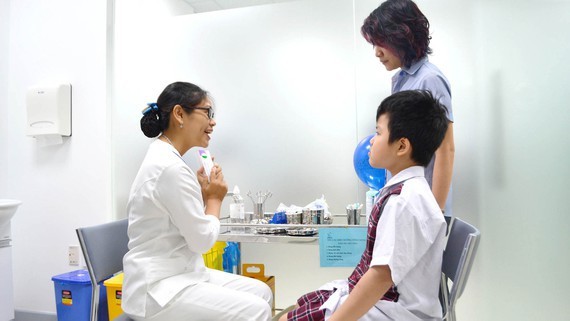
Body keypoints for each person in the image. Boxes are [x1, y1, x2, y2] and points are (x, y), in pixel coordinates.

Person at [280, 90, 448, 321]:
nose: (371, 140)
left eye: (378, 132)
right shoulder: (407, 191)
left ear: (401, 147)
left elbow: (381, 276)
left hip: (392, 311)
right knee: (290, 312)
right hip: (385, 303)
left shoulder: (403, 201)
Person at [122, 81, 273, 321]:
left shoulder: (166, 159)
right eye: (208, 113)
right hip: (158, 289)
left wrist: (200, 196)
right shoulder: (169, 168)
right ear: (179, 114)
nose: (213, 122)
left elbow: (182, 221)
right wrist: (214, 200)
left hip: (180, 275)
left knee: (262, 292)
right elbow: (202, 241)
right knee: (257, 309)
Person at [361, 0, 455, 218]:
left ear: (401, 37)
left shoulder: (429, 80)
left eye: (381, 43)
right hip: (407, 204)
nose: (377, 53)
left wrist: (435, 215)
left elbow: (446, 149)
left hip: (424, 211)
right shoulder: (403, 80)